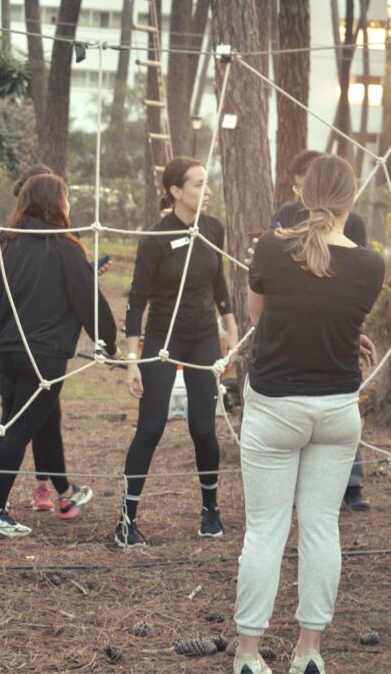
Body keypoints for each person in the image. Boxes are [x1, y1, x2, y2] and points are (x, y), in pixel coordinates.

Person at [233, 154, 384, 674]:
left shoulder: (273, 249)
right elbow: (338, 315)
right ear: (351, 199)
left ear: (303, 193)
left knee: (265, 531)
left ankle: (249, 655)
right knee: (322, 528)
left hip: (276, 404)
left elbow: (260, 318)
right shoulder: (370, 263)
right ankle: (310, 651)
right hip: (338, 408)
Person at [0, 173, 117, 537]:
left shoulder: (13, 244)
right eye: (66, 197)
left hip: (10, 352)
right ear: (57, 203)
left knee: (45, 422)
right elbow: (88, 300)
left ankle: (66, 495)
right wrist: (108, 341)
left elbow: (2, 299)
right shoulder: (66, 247)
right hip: (43, 357)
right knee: (18, 431)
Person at [116, 157, 239, 547]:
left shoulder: (213, 228)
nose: (206, 191)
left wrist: (231, 329)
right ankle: (127, 519)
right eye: (198, 184)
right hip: (162, 340)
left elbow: (220, 282)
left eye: (207, 183)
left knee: (203, 427)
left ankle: (210, 512)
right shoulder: (155, 237)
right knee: (150, 427)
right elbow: (136, 300)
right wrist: (132, 361)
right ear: (175, 192)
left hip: (203, 335)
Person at [273, 149, 372, 512]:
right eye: (299, 188)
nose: (304, 195)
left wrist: (348, 329)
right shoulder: (283, 219)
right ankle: (296, 486)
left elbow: (353, 287)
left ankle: (353, 483)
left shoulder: (356, 228)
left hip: (333, 356)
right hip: (291, 357)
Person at [0, 163, 65, 512]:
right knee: (14, 416)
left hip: (45, 345)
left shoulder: (61, 240)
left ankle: (46, 487)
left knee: (48, 418)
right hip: (11, 341)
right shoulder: (2, 237)